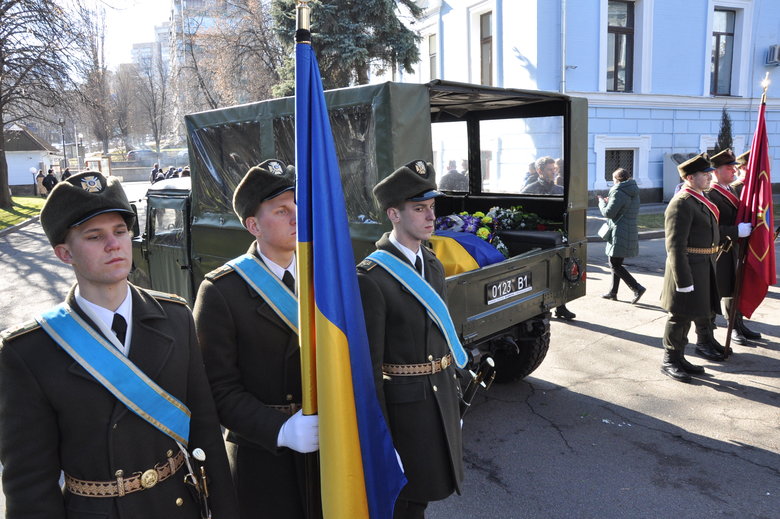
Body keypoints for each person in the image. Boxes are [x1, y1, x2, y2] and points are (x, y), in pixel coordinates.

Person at [0, 171, 238, 518]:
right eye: (95, 236)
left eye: (121, 231)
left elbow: (205, 431)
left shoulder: (175, 317)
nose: (114, 245)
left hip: (178, 506)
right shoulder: (29, 351)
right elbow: (30, 486)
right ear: (65, 253)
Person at [193, 159, 318, 519]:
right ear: (253, 225)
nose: (296, 217)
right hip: (264, 459)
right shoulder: (222, 291)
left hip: (328, 445)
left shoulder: (323, 277)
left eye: (297, 206)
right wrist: (281, 430)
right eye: (281, 210)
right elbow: (218, 390)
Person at [357, 160, 463, 518]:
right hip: (403, 413)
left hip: (437, 398)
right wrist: (380, 438)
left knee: (425, 495)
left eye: (431, 208)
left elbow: (443, 336)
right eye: (419, 209)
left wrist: (454, 397)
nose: (430, 216)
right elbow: (368, 369)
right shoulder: (371, 277)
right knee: (404, 502)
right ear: (394, 215)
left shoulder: (431, 264)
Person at [660, 154, 723, 382]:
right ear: (689, 177)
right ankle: (670, 360)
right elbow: (675, 246)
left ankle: (680, 358)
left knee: (691, 315)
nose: (709, 177)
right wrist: (683, 281)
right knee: (679, 316)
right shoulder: (682, 203)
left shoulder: (699, 199)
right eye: (704, 174)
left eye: (709, 173)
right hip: (686, 270)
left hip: (703, 267)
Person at [706, 149, 757, 346]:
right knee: (716, 292)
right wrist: (736, 231)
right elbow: (712, 228)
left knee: (734, 288)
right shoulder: (711, 194)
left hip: (734, 248)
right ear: (716, 171)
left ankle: (736, 323)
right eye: (729, 168)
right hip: (719, 251)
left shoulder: (731, 190)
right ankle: (708, 335)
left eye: (734, 167)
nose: (734, 171)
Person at [598, 168, 645, 303]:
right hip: (629, 229)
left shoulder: (618, 191)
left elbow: (608, 213)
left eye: (613, 180)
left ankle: (637, 288)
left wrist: (602, 202)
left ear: (617, 180)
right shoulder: (633, 191)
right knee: (616, 263)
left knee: (614, 264)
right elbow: (623, 208)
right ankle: (613, 292)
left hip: (619, 231)